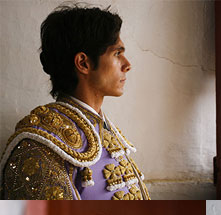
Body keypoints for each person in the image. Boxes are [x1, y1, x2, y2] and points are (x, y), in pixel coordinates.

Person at [0, 6, 149, 200]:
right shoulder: (40, 145)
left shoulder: (104, 129)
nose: (127, 64)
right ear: (84, 63)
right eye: (116, 53)